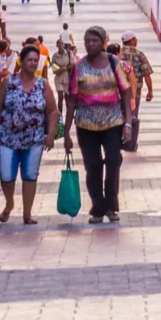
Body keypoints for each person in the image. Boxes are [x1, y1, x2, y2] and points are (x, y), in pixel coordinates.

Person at [63, 26, 133, 224]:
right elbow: (72, 100)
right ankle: (97, 205)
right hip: (86, 126)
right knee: (93, 166)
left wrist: (128, 123)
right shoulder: (79, 67)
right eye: (87, 41)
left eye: (94, 41)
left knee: (113, 161)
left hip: (113, 123)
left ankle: (110, 205)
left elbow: (126, 91)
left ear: (103, 42)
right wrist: (67, 132)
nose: (90, 44)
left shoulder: (113, 63)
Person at [0, 45, 60, 225]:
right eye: (29, 60)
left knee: (30, 175)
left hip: (34, 139)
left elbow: (52, 111)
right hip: (8, 137)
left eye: (35, 60)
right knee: (6, 174)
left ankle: (27, 213)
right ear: (21, 61)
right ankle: (9, 203)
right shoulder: (8, 83)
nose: (32, 63)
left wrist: (51, 135)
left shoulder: (43, 84)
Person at [118, 31, 154, 119]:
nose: (136, 41)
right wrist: (150, 91)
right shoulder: (139, 54)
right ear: (131, 41)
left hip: (119, 89)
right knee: (133, 112)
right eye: (135, 39)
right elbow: (147, 75)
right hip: (135, 91)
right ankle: (132, 129)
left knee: (119, 112)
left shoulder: (117, 54)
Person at [51, 38, 78, 135]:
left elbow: (73, 64)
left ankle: (68, 117)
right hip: (58, 79)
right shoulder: (54, 56)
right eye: (59, 44)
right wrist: (61, 69)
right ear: (57, 45)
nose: (61, 45)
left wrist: (64, 68)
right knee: (60, 97)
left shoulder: (69, 53)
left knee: (67, 98)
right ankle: (60, 117)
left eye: (62, 44)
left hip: (67, 79)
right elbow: (54, 70)